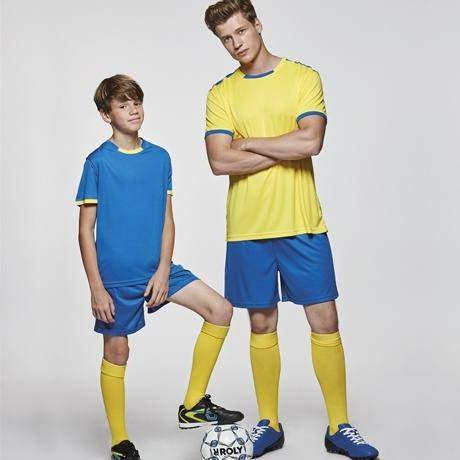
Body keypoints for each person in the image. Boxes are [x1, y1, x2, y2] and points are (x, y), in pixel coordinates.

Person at [203, 1, 379, 459]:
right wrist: (285, 147)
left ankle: (339, 426)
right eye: (226, 38)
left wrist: (251, 143)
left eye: (241, 31)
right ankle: (269, 424)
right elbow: (220, 161)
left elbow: (312, 141)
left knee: (325, 320)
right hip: (247, 229)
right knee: (261, 323)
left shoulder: (302, 77)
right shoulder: (221, 93)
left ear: (258, 25)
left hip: (302, 223)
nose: (236, 43)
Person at [76, 74, 243, 460]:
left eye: (136, 102)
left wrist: (164, 270)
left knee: (220, 309)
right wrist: (97, 289)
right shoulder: (97, 163)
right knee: (118, 350)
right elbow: (85, 231)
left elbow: (167, 219)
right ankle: (119, 441)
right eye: (122, 105)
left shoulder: (160, 157)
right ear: (106, 115)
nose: (133, 110)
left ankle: (193, 404)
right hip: (116, 278)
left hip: (158, 269)